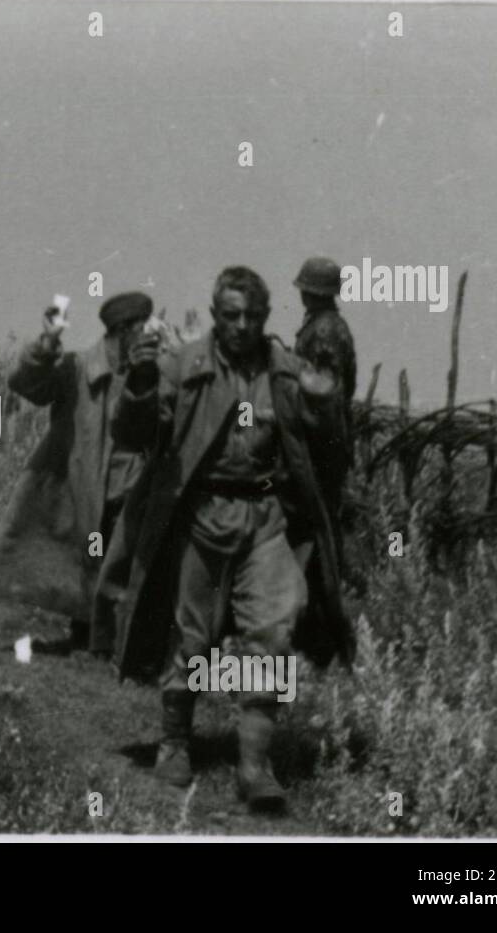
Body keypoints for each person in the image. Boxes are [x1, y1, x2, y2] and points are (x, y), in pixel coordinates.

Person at [100, 267, 353, 811]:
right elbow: (135, 432)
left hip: (263, 518)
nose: (242, 326)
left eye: (253, 316)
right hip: (201, 516)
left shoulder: (285, 369)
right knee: (192, 635)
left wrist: (324, 400)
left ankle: (254, 766)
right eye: (232, 315)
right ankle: (174, 743)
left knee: (277, 623)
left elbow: (325, 440)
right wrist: (140, 385)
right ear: (216, 317)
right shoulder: (184, 366)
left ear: (265, 319)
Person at [0, 291, 156, 656]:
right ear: (124, 330)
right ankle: (89, 632)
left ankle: (111, 639)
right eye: (143, 328)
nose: (149, 336)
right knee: (91, 552)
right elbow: (27, 384)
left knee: (122, 558)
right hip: (85, 484)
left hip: (131, 485)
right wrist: (47, 342)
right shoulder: (77, 368)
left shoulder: (147, 367)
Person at [292, 257, 357, 518]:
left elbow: (324, 389)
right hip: (323, 429)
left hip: (321, 432)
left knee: (318, 511)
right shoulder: (325, 324)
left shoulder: (324, 329)